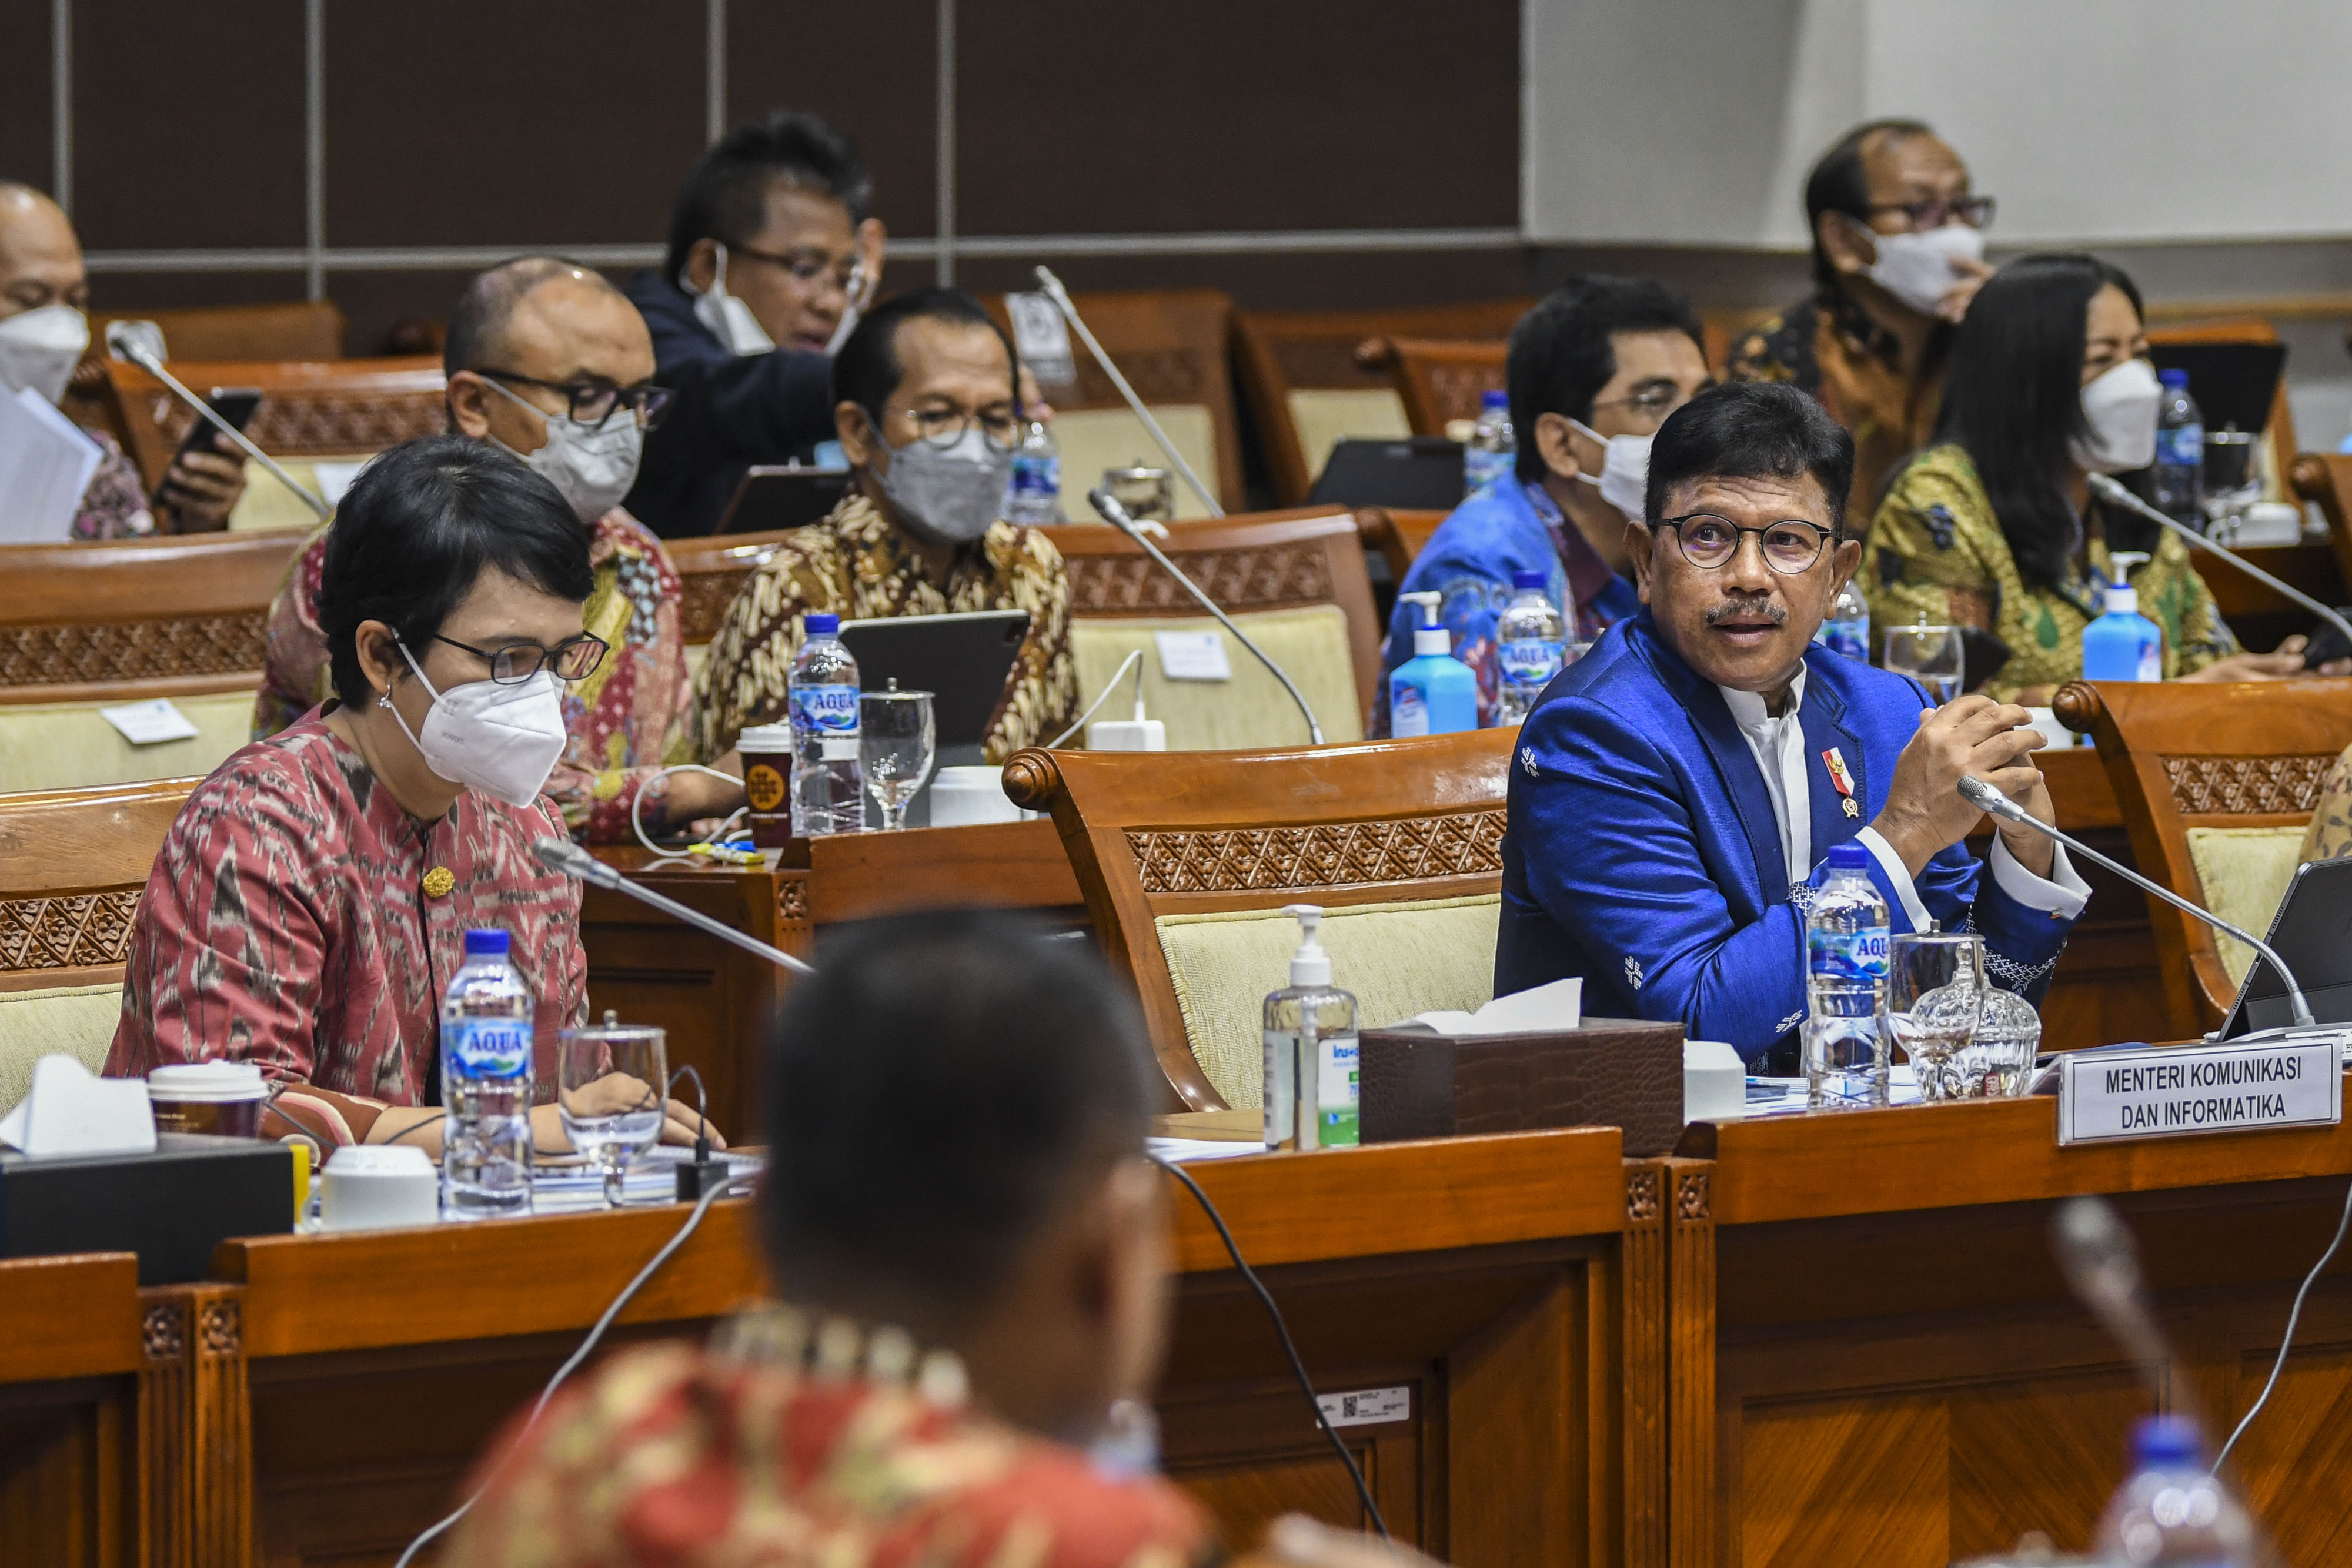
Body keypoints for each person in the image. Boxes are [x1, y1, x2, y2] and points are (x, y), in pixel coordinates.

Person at [108, 437, 709, 1154]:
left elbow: (566, 1105)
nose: (544, 695)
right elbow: (231, 1116)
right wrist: (517, 1131)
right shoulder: (257, 824)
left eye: (559, 660)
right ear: (382, 655)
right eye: (509, 659)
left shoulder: (530, 828)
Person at [1495, 382, 2088, 1068]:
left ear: (1838, 576)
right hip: (1643, 1148)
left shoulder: (1888, 711)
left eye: (1787, 542)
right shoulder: (1592, 735)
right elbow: (1699, 1023)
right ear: (1645, 562)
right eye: (1707, 536)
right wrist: (1902, 835)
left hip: (1850, 1134)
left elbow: (1963, 1021)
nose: (1748, 576)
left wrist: (2026, 856)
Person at [252, 258, 746, 842]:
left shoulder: (638, 557)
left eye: (638, 399)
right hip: (361, 874)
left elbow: (668, 759)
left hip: (593, 894)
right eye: (589, 396)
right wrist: (687, 791)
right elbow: (454, 783)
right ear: (475, 405)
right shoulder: (361, 556)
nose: (623, 428)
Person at [1861, 254, 2332, 704]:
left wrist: (2274, 673)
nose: (2137, 386)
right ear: (2026, 379)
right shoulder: (1937, 503)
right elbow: (1939, 698)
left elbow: (2205, 658)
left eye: (2139, 355)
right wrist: (2168, 700)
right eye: (2103, 360)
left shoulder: (2124, 498)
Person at [698, 287, 1074, 762]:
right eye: (938, 416)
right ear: (858, 433)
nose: (974, 446)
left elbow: (1064, 763)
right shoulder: (801, 585)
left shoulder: (1032, 567)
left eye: (997, 418)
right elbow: (760, 807)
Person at [1377, 276, 1709, 731]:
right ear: (1563, 445)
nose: (1696, 428)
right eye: (1655, 401)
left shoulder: (1690, 542)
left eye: (1704, 399)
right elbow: (1482, 778)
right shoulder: (1479, 570)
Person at [623, 111, 888, 537]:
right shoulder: (637, 342)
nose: (832, 304)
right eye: (804, 269)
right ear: (709, 265)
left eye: (844, 278)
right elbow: (727, 395)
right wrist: (885, 375)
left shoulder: (804, 357)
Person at [1726, 120, 1994, 516]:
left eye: (1962, 205)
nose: (1956, 231)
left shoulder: (1989, 341)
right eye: (1922, 210)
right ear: (1843, 239)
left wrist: (2016, 328)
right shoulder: (1774, 363)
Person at [0, 182, 246, 537]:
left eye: (75, 300)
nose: (59, 328)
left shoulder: (97, 467)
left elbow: (150, 585)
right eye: (31, 300)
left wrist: (199, 526)